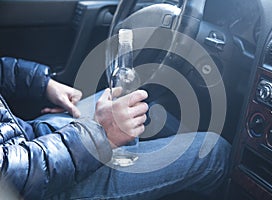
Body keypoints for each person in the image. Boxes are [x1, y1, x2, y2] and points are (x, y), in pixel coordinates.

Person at [0, 57, 231, 200]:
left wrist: (42, 83)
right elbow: (10, 177)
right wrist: (98, 135)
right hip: (33, 184)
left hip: (27, 143)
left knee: (137, 108)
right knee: (212, 153)